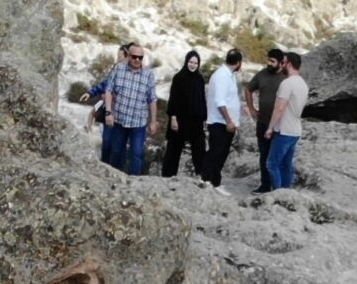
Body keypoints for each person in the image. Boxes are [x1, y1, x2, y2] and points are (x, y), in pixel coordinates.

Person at [88, 43, 158, 175]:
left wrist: (153, 121)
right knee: (117, 151)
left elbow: (152, 99)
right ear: (129, 56)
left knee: (137, 153)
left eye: (140, 57)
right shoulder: (119, 69)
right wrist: (108, 112)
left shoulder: (148, 75)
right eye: (134, 57)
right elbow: (108, 90)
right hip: (119, 120)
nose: (137, 60)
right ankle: (115, 179)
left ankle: (134, 182)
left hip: (138, 123)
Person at [262, 50, 307, 193]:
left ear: (289, 64)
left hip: (284, 130)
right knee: (286, 164)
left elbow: (279, 108)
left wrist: (270, 128)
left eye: (283, 62)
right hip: (295, 130)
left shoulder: (287, 84)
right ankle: (287, 193)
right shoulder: (303, 84)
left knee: (272, 164)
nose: (281, 64)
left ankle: (278, 193)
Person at [199, 47, 243, 186]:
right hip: (220, 122)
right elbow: (220, 101)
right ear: (238, 62)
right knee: (216, 153)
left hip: (225, 123)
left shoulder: (229, 74)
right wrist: (229, 121)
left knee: (221, 154)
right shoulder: (222, 76)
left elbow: (229, 99)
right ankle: (204, 179)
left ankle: (215, 182)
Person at [162, 50, 207, 179]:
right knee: (173, 150)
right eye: (191, 62)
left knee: (199, 149)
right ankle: (168, 177)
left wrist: (204, 117)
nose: (193, 65)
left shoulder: (199, 79)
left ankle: (201, 176)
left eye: (196, 63)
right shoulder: (179, 78)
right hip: (180, 120)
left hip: (196, 121)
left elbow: (202, 99)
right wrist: (173, 118)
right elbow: (173, 99)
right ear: (186, 62)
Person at [245, 49, 286, 192]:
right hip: (262, 123)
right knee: (264, 155)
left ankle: (279, 187)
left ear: (281, 63)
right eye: (268, 60)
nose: (269, 63)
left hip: (280, 125)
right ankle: (265, 185)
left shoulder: (286, 77)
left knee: (277, 157)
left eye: (272, 61)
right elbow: (248, 89)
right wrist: (251, 108)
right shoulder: (262, 74)